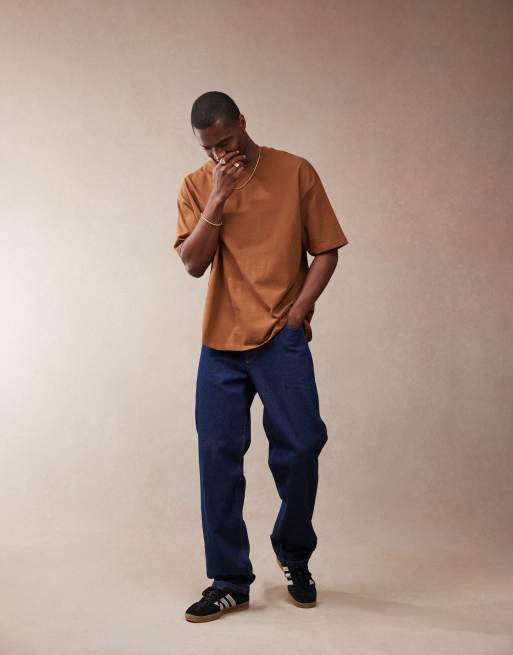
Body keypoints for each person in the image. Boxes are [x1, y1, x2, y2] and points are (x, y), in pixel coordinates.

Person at [173, 91, 349, 623]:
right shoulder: (197, 185)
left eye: (225, 141)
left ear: (243, 123)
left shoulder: (295, 171)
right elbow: (193, 264)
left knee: (302, 446)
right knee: (217, 460)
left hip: (280, 339)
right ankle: (229, 581)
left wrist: (298, 312)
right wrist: (217, 198)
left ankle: (294, 554)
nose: (219, 154)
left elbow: (326, 249)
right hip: (220, 345)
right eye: (209, 148)